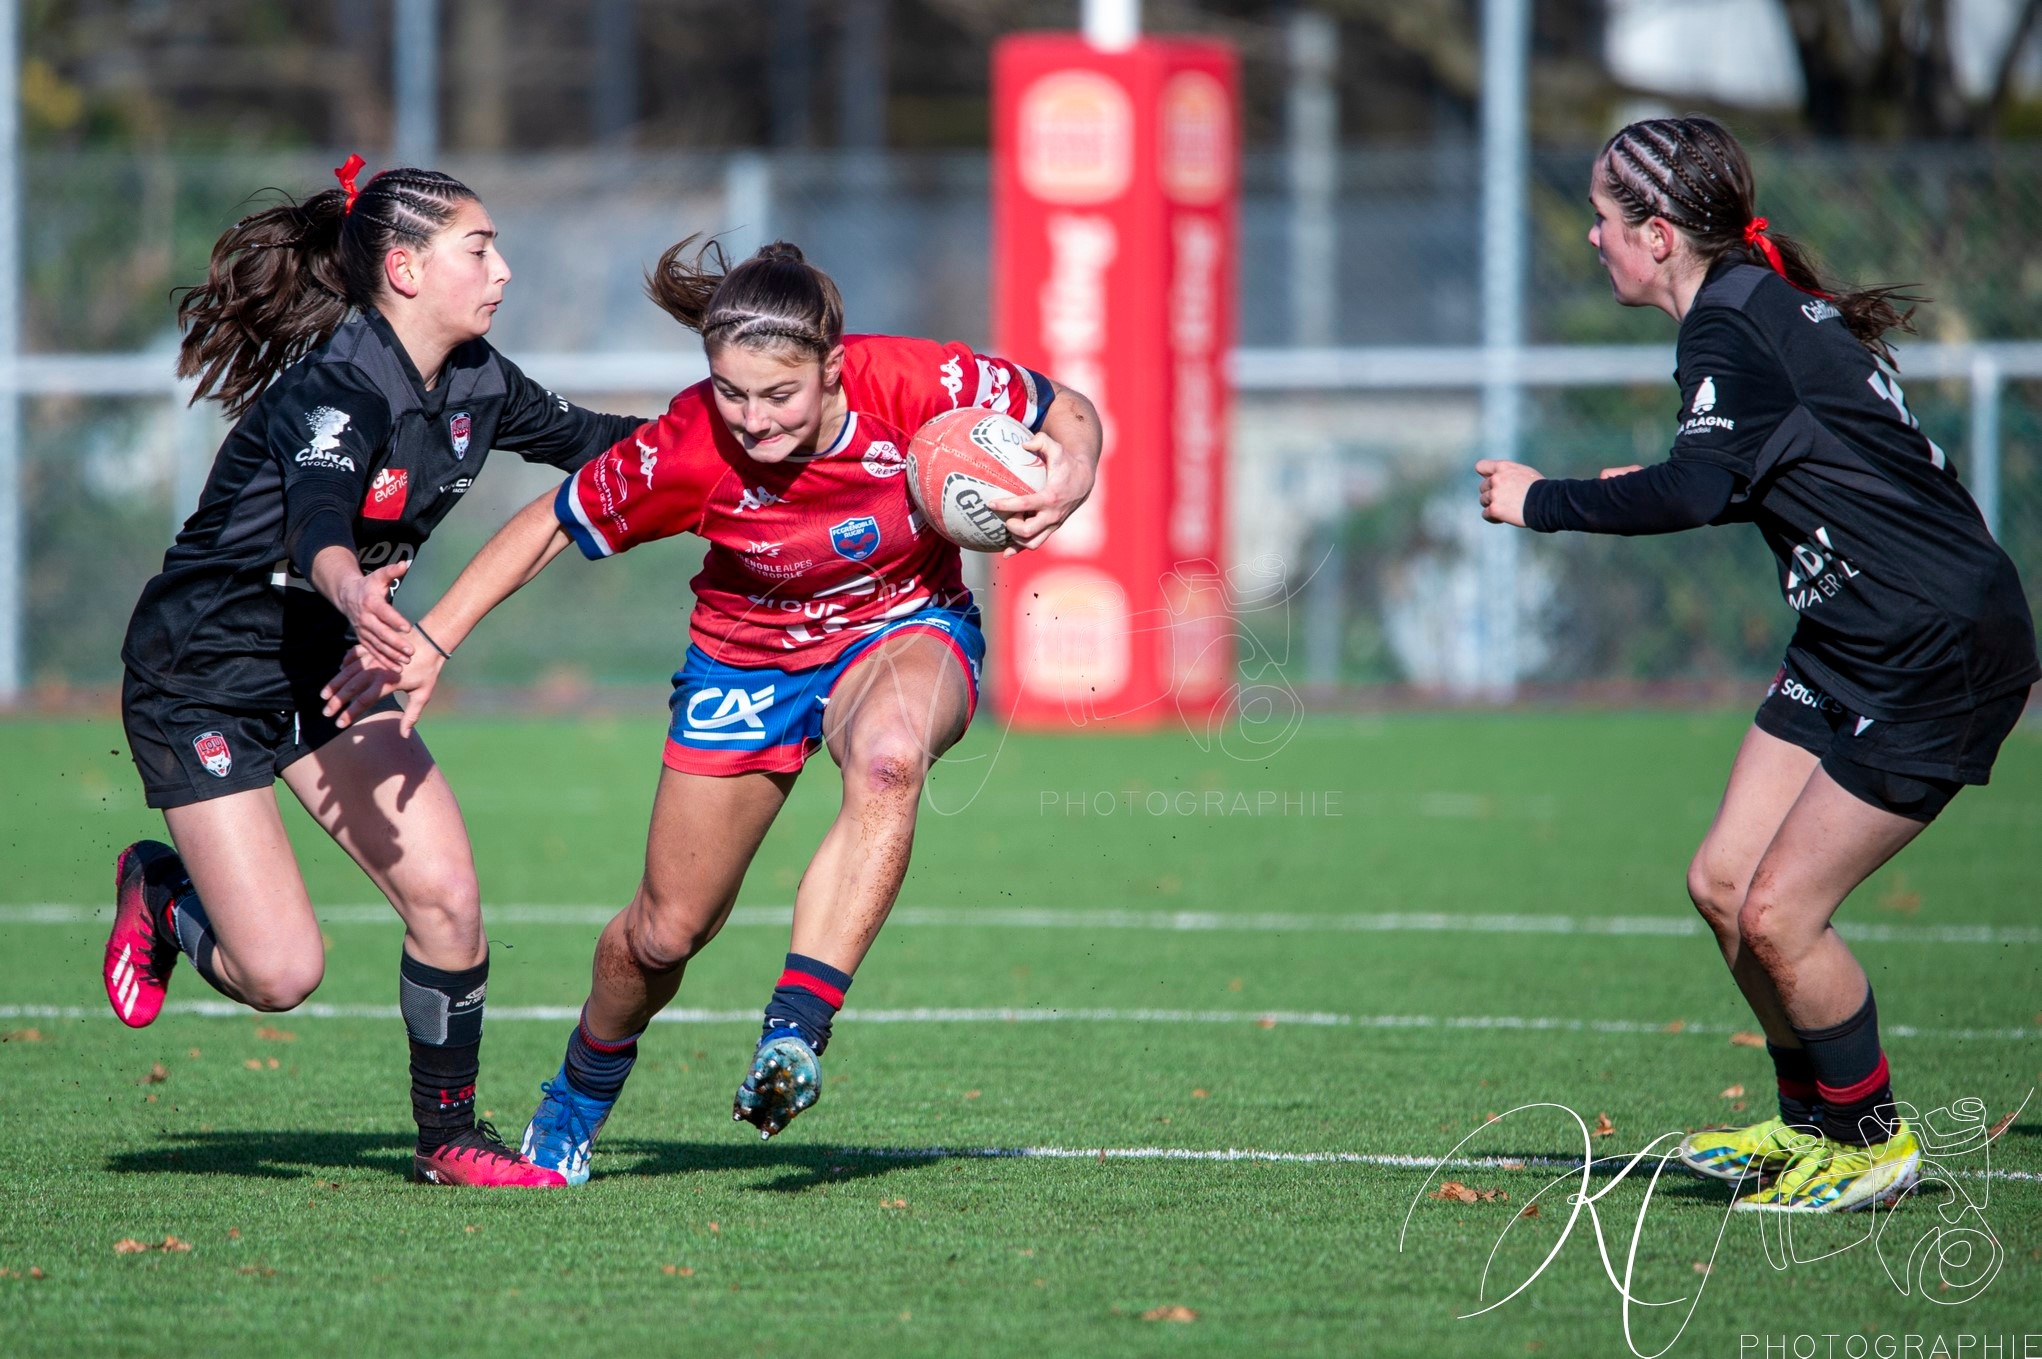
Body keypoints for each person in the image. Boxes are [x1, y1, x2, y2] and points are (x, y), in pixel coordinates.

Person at [321, 237, 1101, 1182]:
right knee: (663, 934)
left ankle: (796, 1031)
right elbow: (546, 526)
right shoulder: (689, 446)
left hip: (903, 624)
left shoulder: (916, 380)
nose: (753, 419)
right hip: (746, 658)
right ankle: (578, 1090)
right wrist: (433, 639)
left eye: (779, 395)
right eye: (732, 392)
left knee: (891, 757)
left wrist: (1074, 471)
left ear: (835, 368)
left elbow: (1066, 409)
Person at [1477, 117, 2037, 1213]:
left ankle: (1870, 1144)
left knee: (1780, 912)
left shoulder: (1730, 326)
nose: (1589, 238)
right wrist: (1668, 469)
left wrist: (1538, 501)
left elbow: (1694, 494)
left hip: (1932, 649)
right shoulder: (1746, 307)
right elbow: (1740, 467)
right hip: (1852, 637)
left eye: (1601, 218)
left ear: (1655, 237)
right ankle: (1806, 1125)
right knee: (1722, 883)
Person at [107, 157, 646, 1187]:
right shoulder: (337, 390)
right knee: (281, 975)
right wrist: (354, 593)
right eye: (479, 248)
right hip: (203, 669)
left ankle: (448, 1140)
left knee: (446, 894)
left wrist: (747, 442)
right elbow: (318, 520)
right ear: (403, 268)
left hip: (321, 662)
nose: (503, 270)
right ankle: (161, 889)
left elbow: (601, 445)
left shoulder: (479, 380)